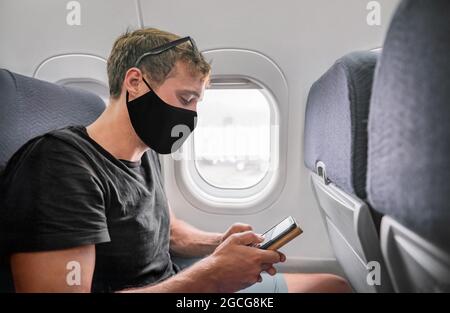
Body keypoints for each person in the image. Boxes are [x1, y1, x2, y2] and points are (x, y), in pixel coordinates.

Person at [0, 28, 351, 293]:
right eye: (185, 98)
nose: (192, 116)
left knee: (330, 287)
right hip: (183, 291)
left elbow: (165, 229)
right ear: (135, 83)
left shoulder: (145, 149)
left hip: (177, 286)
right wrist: (211, 275)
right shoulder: (60, 165)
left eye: (197, 103)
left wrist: (217, 244)